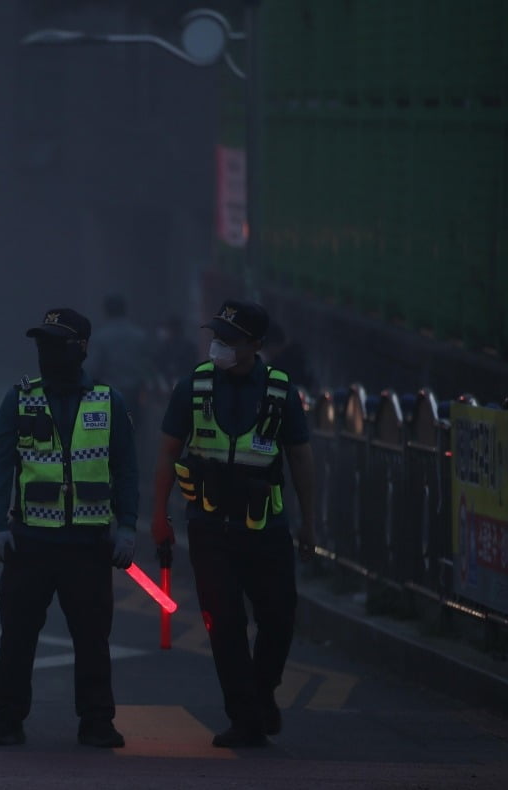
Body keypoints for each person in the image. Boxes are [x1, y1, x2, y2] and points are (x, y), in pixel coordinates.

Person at [150, 299, 316, 749]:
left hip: (268, 529)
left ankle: (261, 694)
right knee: (223, 625)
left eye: (231, 338)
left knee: (278, 620)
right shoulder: (194, 385)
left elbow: (300, 457)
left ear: (256, 345)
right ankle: (244, 717)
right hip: (209, 529)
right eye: (217, 335)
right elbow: (167, 451)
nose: (219, 345)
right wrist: (158, 517)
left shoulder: (281, 391)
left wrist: (310, 524)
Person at [0, 307, 139, 749]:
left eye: (56, 343)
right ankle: (6, 719)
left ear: (82, 348)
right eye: (41, 344)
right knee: (17, 638)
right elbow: (0, 465)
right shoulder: (19, 398)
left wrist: (126, 527)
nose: (46, 352)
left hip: (88, 546)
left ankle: (96, 721)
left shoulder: (108, 402)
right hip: (30, 541)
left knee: (92, 639)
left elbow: (126, 469)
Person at [87, 293, 150, 421]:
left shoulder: (100, 337)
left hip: (109, 393)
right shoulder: (140, 336)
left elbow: (93, 369)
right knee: (134, 431)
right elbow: (147, 366)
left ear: (106, 311)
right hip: (135, 393)